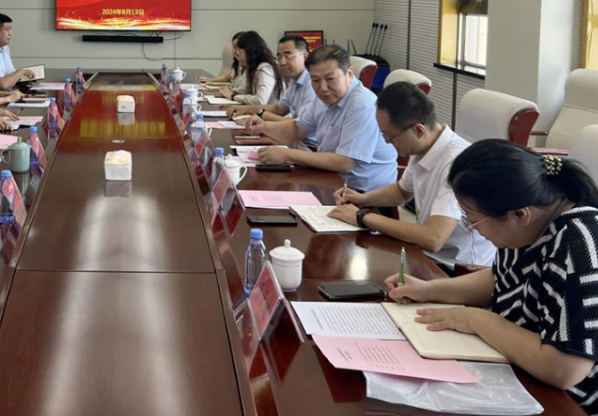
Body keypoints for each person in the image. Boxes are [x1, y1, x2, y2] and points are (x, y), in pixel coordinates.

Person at [387, 141, 598, 412]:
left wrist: (476, 320)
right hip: (519, 365)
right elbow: (500, 279)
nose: (471, 229)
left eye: (472, 219)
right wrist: (429, 290)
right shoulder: (530, 225)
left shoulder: (580, 248)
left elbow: (565, 369)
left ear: (519, 215)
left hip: (568, 400)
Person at [328, 82, 496, 269]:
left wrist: (362, 217)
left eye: (390, 136)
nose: (388, 142)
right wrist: (361, 199)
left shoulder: (456, 163)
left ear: (418, 130)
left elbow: (434, 238)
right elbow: (401, 192)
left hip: (456, 268)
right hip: (425, 255)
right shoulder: (423, 145)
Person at [248, 44, 397, 191]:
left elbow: (344, 162)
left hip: (362, 193)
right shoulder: (324, 98)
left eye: (330, 79)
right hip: (330, 179)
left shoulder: (362, 105)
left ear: (349, 73)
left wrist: (287, 154)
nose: (323, 88)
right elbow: (297, 128)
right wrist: (263, 127)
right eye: (315, 80)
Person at [226, 34, 316, 124]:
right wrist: (245, 109)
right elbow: (279, 109)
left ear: (305, 57)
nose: (282, 62)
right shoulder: (294, 81)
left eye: (288, 56)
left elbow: (301, 125)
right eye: (279, 57)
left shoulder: (312, 83)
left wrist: (261, 114)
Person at [218, 31, 283, 105]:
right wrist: (234, 91)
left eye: (240, 50)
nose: (237, 53)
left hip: (268, 111)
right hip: (257, 110)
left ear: (251, 51)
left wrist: (233, 96)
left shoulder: (265, 68)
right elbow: (248, 88)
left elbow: (260, 100)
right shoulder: (253, 66)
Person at [0, 13, 36, 90]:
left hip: (11, 93)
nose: (11, 34)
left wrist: (24, 78)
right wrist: (21, 72)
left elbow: (10, 75)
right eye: (7, 29)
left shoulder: (5, 48)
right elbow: (2, 85)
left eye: (11, 29)